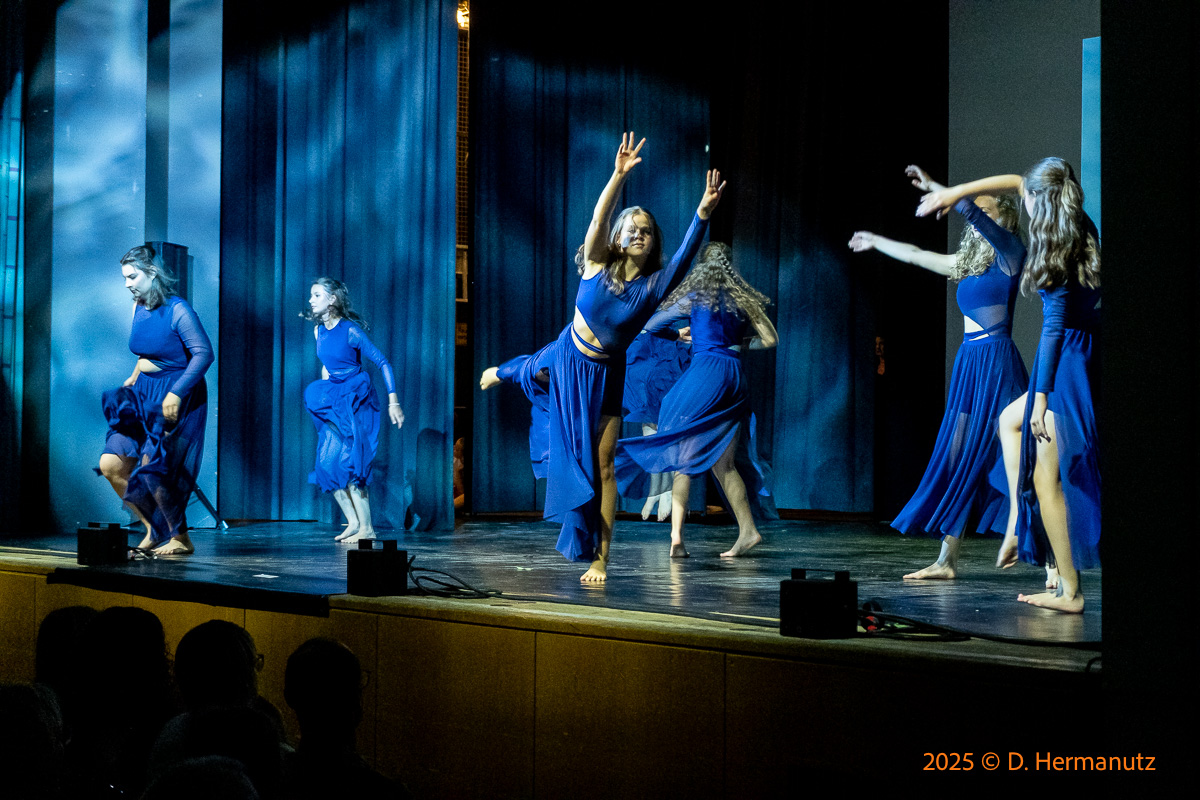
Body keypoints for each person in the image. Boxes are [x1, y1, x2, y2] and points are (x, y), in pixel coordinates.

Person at [918, 157, 1100, 612]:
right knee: (1008, 422)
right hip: (1072, 350)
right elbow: (1014, 180)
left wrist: (1041, 397)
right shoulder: (1076, 223)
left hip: (1067, 361)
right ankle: (1020, 522)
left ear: (1041, 200)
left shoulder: (1056, 249)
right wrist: (951, 192)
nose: (1022, 201)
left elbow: (1053, 329)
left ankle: (1069, 590)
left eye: (1028, 198)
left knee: (1046, 475)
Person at [544, 132, 724, 581]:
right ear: (619, 236)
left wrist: (702, 215)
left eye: (646, 230)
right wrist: (618, 175)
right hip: (570, 362)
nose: (640, 233)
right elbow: (598, 217)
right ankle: (505, 372)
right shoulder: (596, 262)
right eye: (633, 228)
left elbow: (683, 259)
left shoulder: (654, 286)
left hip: (607, 373)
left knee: (604, 466)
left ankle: (601, 558)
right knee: (571, 451)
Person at [849, 165, 1028, 580]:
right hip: (970, 365)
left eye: (987, 210)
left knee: (1020, 460)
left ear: (1003, 218)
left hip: (997, 365)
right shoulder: (968, 264)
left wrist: (946, 192)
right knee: (959, 455)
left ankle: (1053, 563)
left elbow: (976, 215)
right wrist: (877, 241)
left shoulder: (1011, 254)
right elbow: (917, 255)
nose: (978, 217)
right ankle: (946, 560)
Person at [615, 242, 776, 558]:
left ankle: (676, 538)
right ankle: (748, 531)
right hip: (733, 375)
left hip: (705, 373)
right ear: (730, 267)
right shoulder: (745, 299)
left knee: (683, 457)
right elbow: (770, 340)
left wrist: (680, 335)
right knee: (724, 465)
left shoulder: (695, 297)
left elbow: (650, 326)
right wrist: (736, 346)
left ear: (701, 266)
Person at [98, 245, 213, 555]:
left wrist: (176, 393)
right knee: (111, 464)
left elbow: (203, 354)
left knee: (152, 466)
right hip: (144, 393)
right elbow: (148, 351)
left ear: (152, 273)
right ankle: (154, 528)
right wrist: (135, 372)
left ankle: (180, 537)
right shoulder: (138, 306)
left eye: (132, 276)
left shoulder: (178, 310)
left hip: (175, 394)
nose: (127, 284)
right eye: (124, 277)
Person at [302, 278, 405, 543]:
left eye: (316, 295)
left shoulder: (350, 331)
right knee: (327, 465)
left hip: (356, 399)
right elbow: (327, 366)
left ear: (332, 300)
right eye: (311, 295)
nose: (311, 300)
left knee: (351, 463)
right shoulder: (318, 331)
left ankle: (367, 528)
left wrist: (394, 402)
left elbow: (383, 362)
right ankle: (354, 522)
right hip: (335, 397)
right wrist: (327, 397)